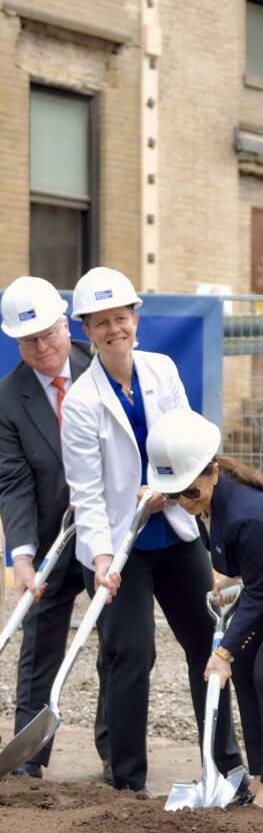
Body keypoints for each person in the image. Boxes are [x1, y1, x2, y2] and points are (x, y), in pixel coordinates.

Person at [60, 267, 244, 795]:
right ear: (88, 331)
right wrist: (99, 561)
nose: (114, 329)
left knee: (208, 645)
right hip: (123, 547)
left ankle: (225, 767)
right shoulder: (79, 402)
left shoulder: (162, 371)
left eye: (121, 317)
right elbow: (87, 491)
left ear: (135, 319)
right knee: (131, 654)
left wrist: (172, 490)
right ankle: (127, 781)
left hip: (177, 532)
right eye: (101, 323)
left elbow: (188, 443)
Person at [146, 408, 263, 809]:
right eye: (174, 493)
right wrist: (231, 583)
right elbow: (253, 572)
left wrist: (221, 653)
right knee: (248, 666)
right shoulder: (208, 504)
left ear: (213, 472)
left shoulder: (243, 515)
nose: (183, 501)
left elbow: (261, 591)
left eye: (190, 491)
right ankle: (259, 774)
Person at [0, 277, 109, 781]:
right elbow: (14, 482)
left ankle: (120, 761)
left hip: (107, 536)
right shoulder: (9, 397)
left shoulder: (105, 366)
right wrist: (21, 556)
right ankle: (25, 763)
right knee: (40, 645)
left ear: (66, 324)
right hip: (48, 537)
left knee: (121, 644)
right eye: (27, 341)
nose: (41, 348)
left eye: (48, 334)